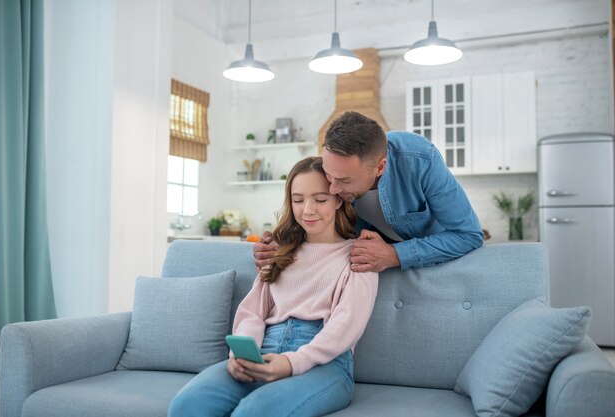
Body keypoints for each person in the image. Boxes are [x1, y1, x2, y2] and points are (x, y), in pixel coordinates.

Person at [168, 156, 379, 417]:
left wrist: (291, 363)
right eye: (298, 199)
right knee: (187, 404)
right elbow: (252, 313)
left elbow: (345, 326)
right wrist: (241, 355)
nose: (308, 210)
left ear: (338, 199)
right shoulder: (279, 253)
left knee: (254, 412)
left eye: (320, 199)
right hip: (264, 350)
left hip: (325, 363)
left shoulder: (360, 254)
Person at [254, 111, 484, 273]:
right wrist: (281, 246)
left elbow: (469, 235)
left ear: (380, 167)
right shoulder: (335, 169)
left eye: (344, 180)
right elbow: (320, 224)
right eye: (329, 174)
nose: (332, 188)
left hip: (433, 262)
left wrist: (394, 255)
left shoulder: (420, 159)